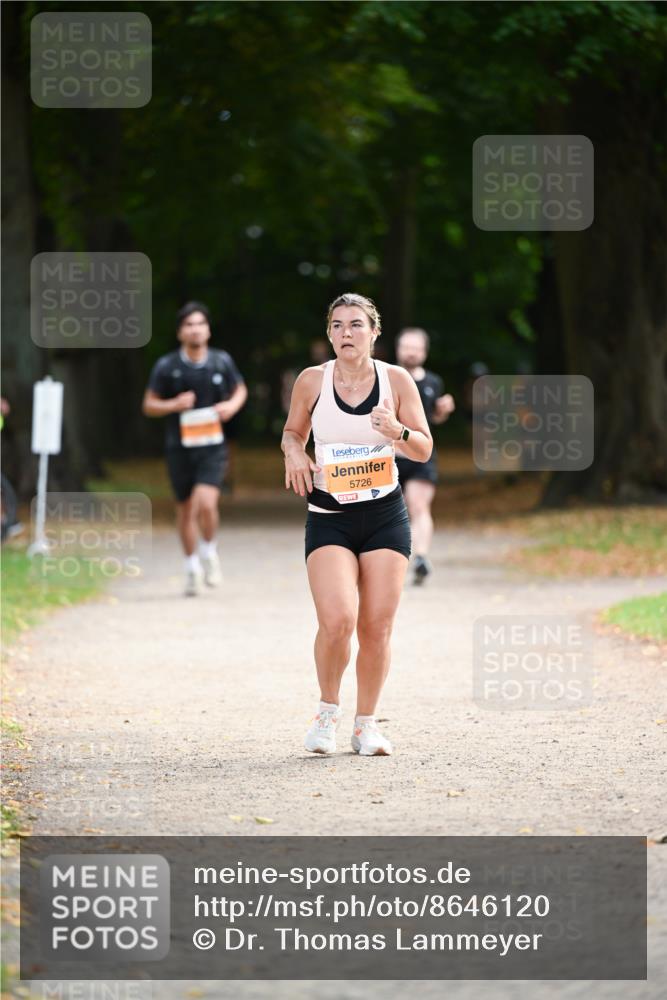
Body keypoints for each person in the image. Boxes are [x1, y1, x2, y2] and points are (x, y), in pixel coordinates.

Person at [282, 293, 432, 757]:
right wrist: (293, 452)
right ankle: (327, 713)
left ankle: (366, 725)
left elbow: (424, 448)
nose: (347, 333)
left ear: (374, 332)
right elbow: (292, 433)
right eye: (338, 325)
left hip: (385, 517)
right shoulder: (312, 381)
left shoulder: (397, 380)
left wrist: (398, 432)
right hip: (330, 517)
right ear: (329, 333)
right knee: (338, 621)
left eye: (356, 325)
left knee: (377, 626)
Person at [142, 302, 247, 596]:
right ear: (180, 333)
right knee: (186, 511)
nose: (195, 329)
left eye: (200, 323)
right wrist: (173, 405)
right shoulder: (167, 366)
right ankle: (191, 568)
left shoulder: (220, 361)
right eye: (189, 325)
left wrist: (231, 405)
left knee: (206, 504)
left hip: (213, 446)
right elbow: (148, 404)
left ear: (208, 329)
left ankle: (209, 550)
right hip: (179, 448)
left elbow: (240, 389)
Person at [394, 328, 455, 585]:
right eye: (406, 347)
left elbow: (433, 420)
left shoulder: (433, 382)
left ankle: (420, 557)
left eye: (416, 348)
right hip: (389, 456)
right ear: (398, 349)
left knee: (418, 506)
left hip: (420, 455)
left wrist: (444, 411)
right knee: (393, 511)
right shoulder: (386, 377)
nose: (410, 352)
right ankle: (392, 562)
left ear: (425, 352)